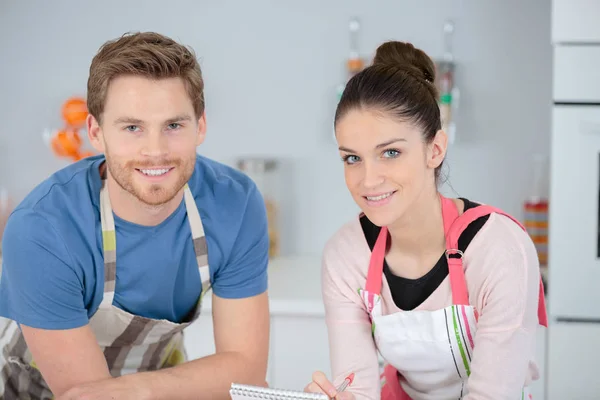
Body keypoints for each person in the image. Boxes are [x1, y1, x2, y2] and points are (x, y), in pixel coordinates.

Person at [0, 31, 270, 399]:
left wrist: (138, 390)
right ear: (95, 132)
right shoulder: (42, 230)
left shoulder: (235, 204)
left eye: (174, 126)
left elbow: (247, 372)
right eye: (132, 128)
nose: (155, 151)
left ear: (200, 126)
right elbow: (85, 395)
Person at [304, 41, 548, 400]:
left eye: (390, 153)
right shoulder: (346, 255)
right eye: (352, 158)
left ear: (434, 150)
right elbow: (357, 385)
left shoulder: (499, 249)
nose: (368, 180)